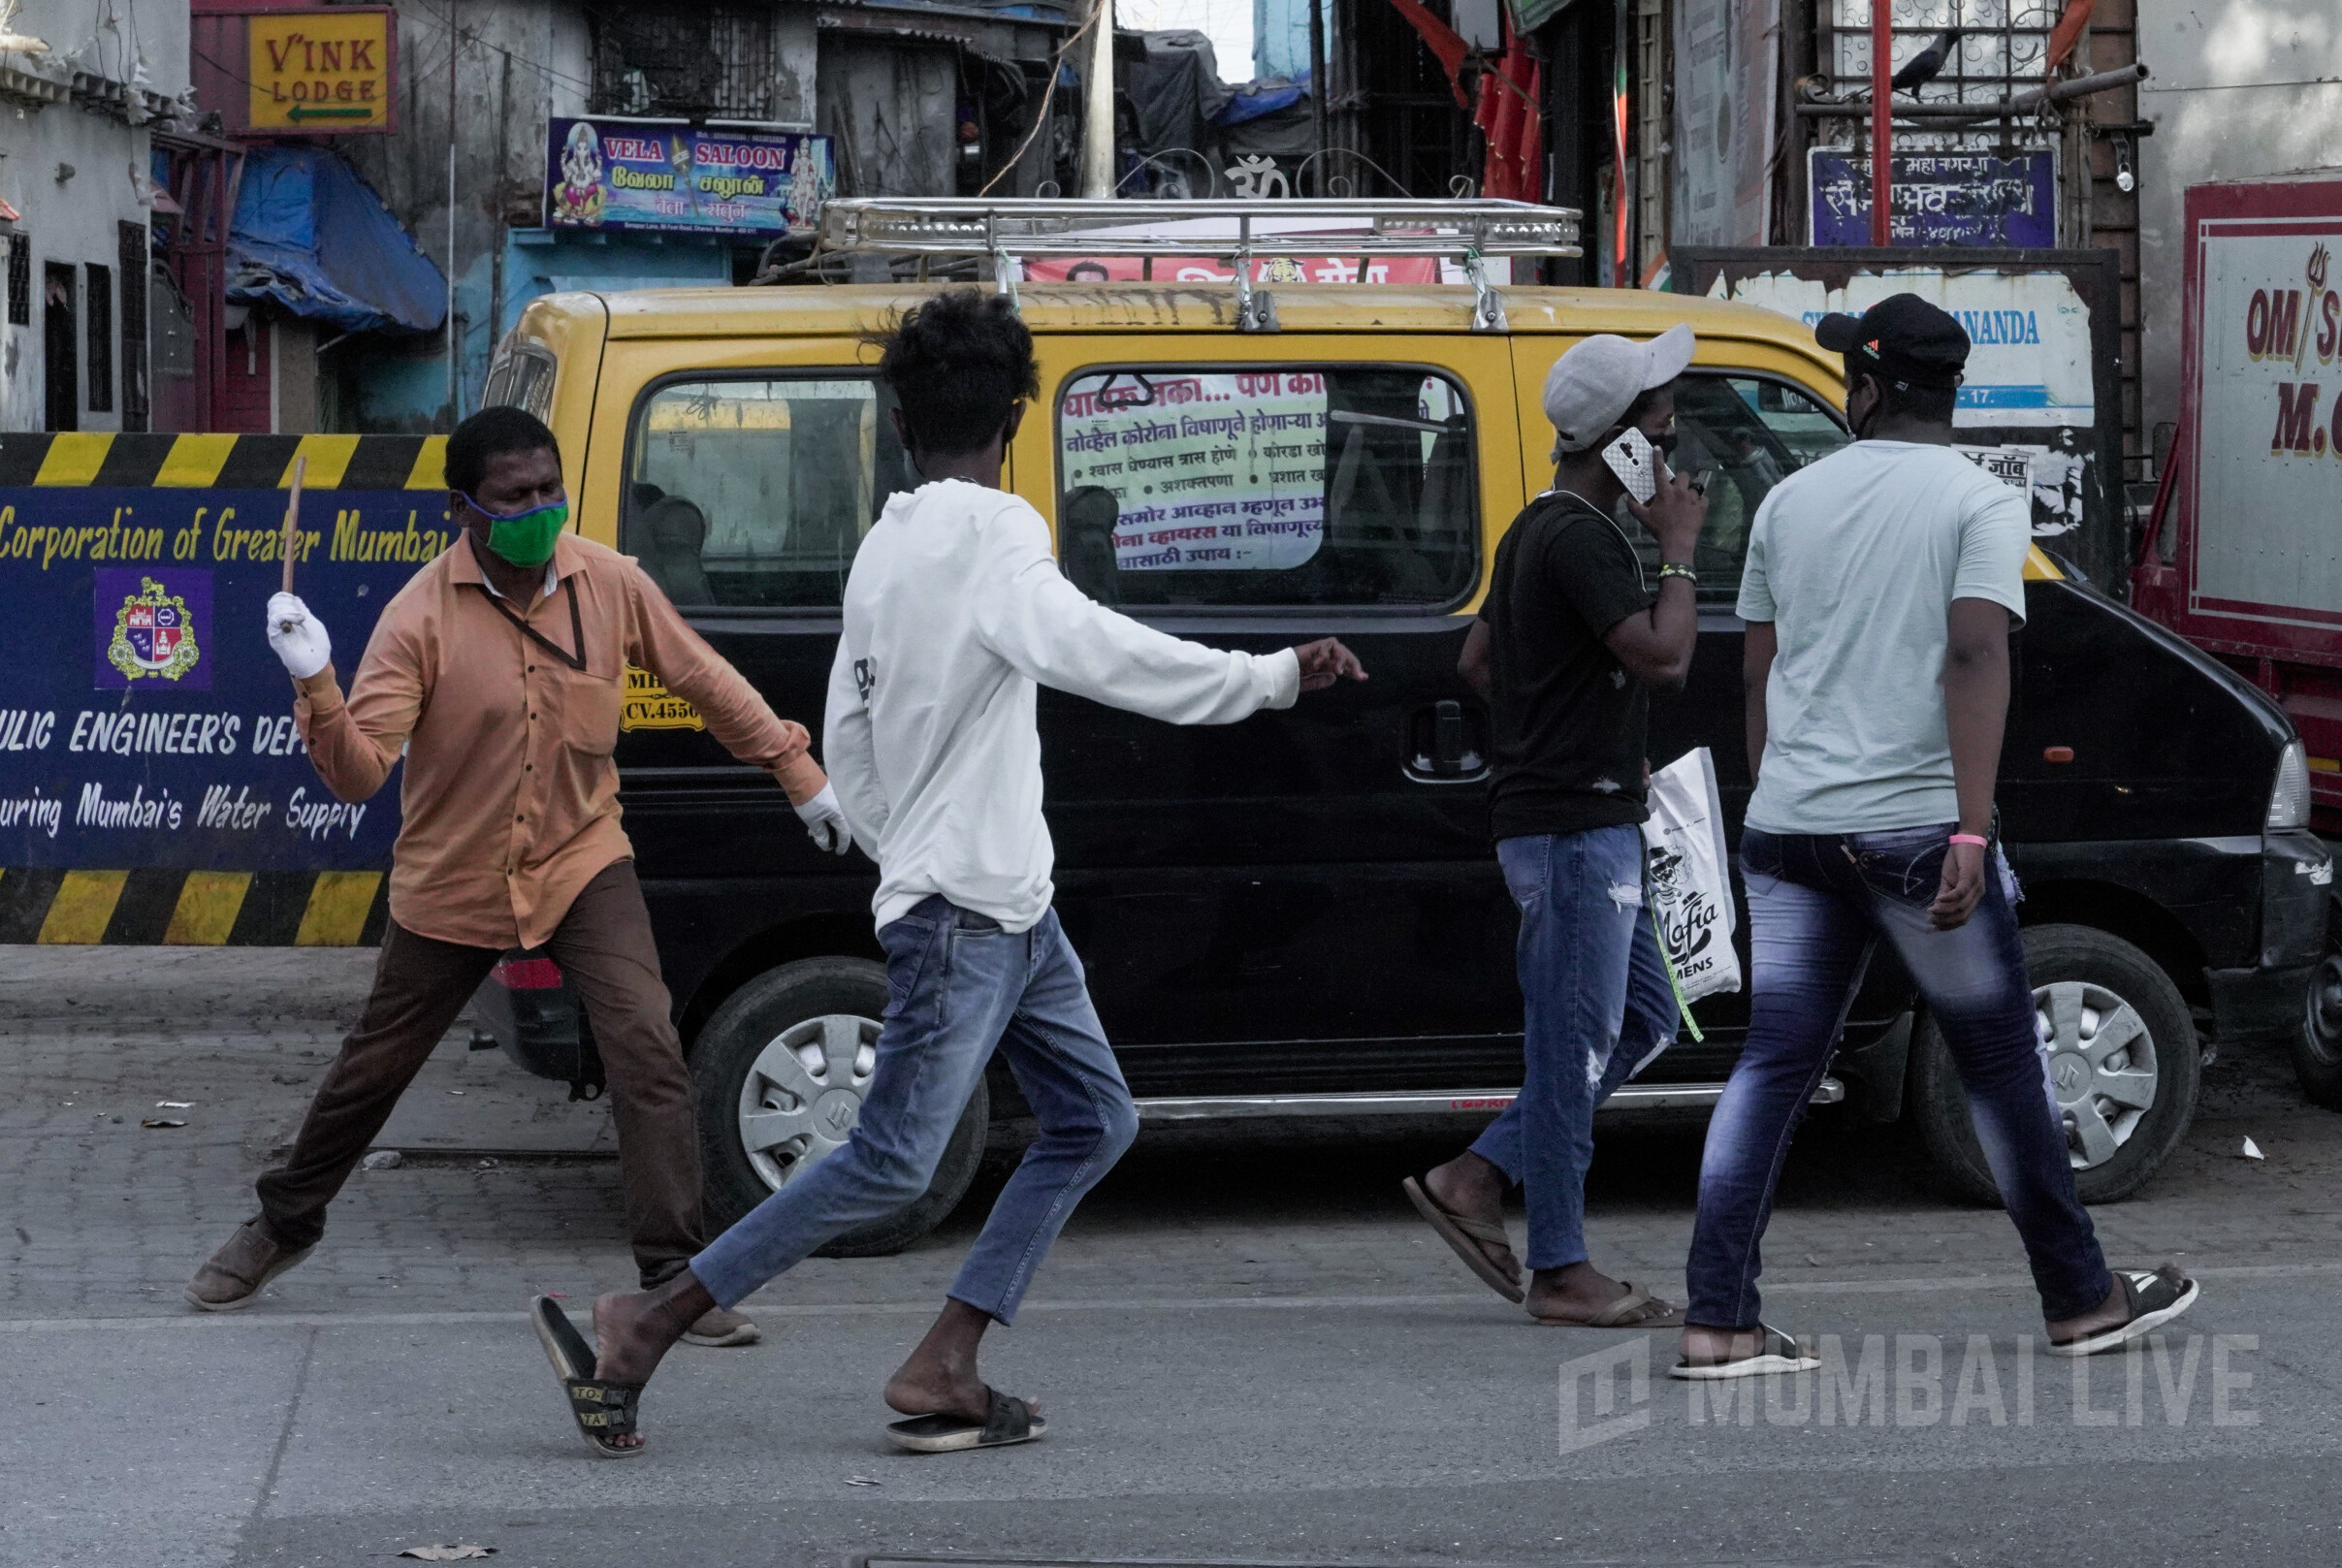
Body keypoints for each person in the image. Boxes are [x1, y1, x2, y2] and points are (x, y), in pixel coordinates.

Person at [542, 288, 1366, 1456]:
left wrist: (905, 847)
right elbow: (1096, 650)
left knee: (1094, 1119)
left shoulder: (883, 548)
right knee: (889, 1160)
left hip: (1007, 907)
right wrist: (1267, 677)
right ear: (1017, 418)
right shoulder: (997, 535)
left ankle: (947, 1356)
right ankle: (650, 1319)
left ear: (897, 421)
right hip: (968, 913)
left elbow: (849, 733)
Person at [186, 406, 850, 1353]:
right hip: (451, 878)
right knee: (374, 1067)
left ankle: (673, 1281)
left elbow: (702, 676)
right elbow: (362, 774)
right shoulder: (418, 617)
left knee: (646, 1047)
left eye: (549, 488)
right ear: (462, 508)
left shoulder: (609, 581)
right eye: (514, 497)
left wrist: (795, 769)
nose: (539, 509)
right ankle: (282, 1224)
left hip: (581, 860)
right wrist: (316, 680)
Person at [1673, 293, 2198, 1379]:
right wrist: (1968, 827)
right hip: (1916, 831)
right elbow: (1974, 656)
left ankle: (1717, 1320)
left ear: (1866, 391)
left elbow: (1758, 671)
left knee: (1770, 1068)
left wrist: (1780, 799)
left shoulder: (1786, 502)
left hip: (1789, 827)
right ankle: (2080, 1298)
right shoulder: (1979, 503)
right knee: (2000, 1064)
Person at [1402, 326, 1709, 1327]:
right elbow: (1663, 659)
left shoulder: (1536, 526)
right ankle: (1562, 1267)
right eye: (1659, 428)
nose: (1670, 448)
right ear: (1620, 442)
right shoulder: (1581, 538)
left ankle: (1474, 1176)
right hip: (1574, 834)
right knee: (1574, 1046)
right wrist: (1678, 553)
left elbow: (1480, 663)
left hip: (1576, 816)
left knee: (1644, 1018)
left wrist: (1574, 736)